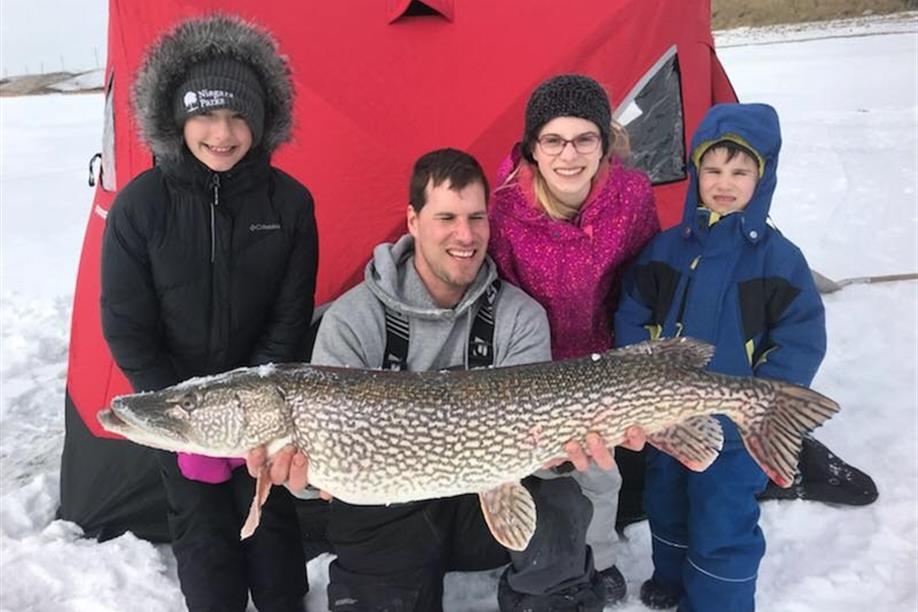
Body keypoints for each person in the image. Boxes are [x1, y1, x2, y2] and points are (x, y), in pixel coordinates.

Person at [249, 147, 644, 612]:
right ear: (413, 221)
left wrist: (561, 455)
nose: (465, 235)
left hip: (489, 504)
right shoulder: (352, 320)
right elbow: (317, 476)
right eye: (447, 217)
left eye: (477, 218)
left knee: (561, 503)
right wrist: (304, 480)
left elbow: (534, 447)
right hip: (389, 515)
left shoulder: (520, 317)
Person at [100, 14, 317, 612]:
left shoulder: (291, 203)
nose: (221, 133)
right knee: (206, 559)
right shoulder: (140, 207)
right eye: (204, 115)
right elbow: (126, 324)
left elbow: (289, 315)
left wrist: (251, 413)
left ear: (261, 121)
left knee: (275, 554)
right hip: (183, 411)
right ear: (178, 118)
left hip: (267, 410)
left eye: (237, 116)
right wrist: (180, 419)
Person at [614, 102, 827, 611]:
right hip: (669, 421)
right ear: (696, 174)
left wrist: (767, 393)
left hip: (736, 435)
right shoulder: (665, 250)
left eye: (739, 171)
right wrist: (637, 371)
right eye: (712, 169)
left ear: (763, 176)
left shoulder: (780, 259)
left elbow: (801, 336)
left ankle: (717, 602)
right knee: (666, 504)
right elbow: (633, 313)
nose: (724, 182)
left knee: (722, 520)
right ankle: (670, 578)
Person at [488, 73, 660, 604]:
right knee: (541, 475)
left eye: (584, 139)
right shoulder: (504, 213)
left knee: (601, 473)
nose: (569, 155)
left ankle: (603, 556)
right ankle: (547, 554)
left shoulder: (631, 197)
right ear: (533, 149)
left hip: (599, 359)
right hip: (529, 369)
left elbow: (641, 277)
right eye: (553, 141)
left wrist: (635, 358)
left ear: (604, 143)